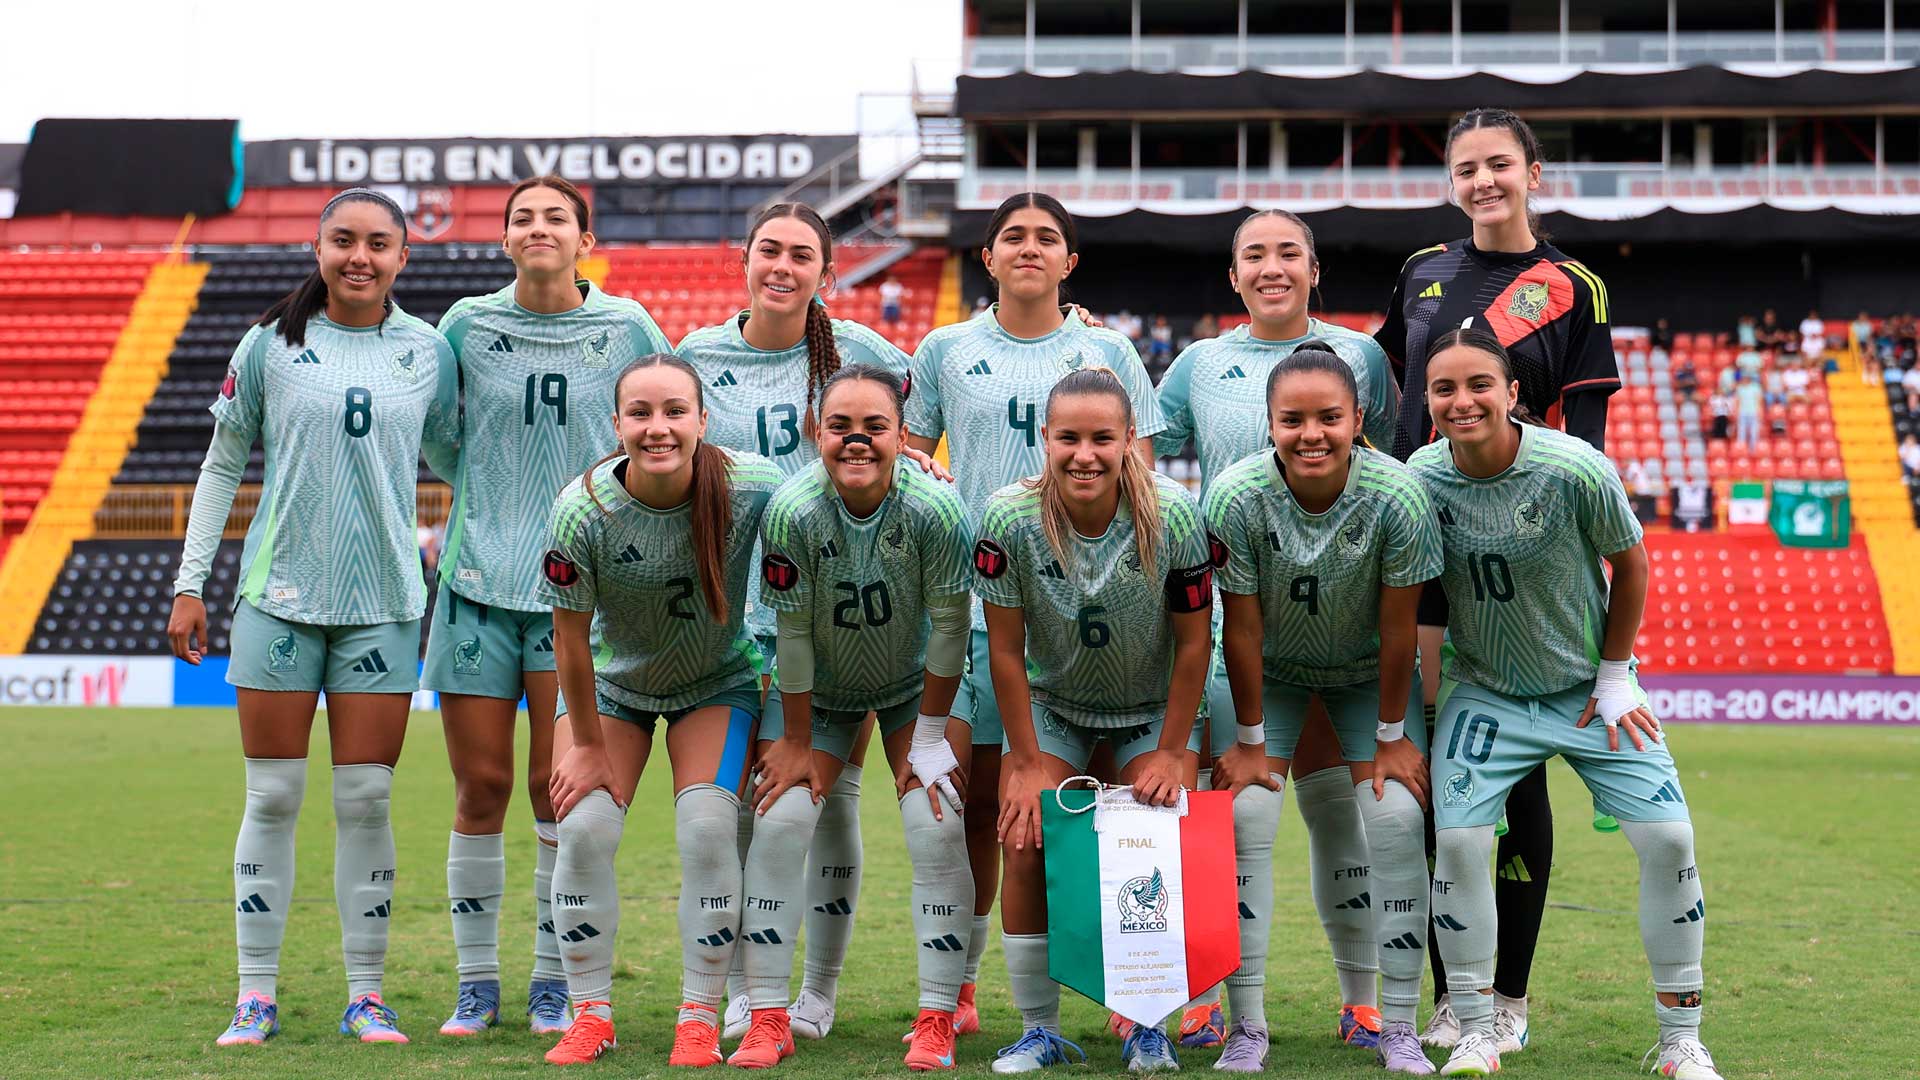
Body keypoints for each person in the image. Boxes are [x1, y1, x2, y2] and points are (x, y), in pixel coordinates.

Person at [167, 188, 460, 1047]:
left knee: (367, 798)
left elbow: (458, 458)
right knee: (274, 796)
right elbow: (222, 466)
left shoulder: (426, 352)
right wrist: (192, 583)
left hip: (382, 604)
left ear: (403, 257)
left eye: (378, 243)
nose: (359, 256)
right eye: (343, 241)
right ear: (318, 247)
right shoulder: (269, 344)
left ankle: (366, 994)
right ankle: (255, 995)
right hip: (281, 599)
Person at [1410, 328, 1722, 1080]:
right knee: (1454, 847)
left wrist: (1616, 674)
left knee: (1671, 844)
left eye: (1479, 384)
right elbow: (1415, 596)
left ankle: (1681, 1041)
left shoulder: (1574, 467)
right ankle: (1480, 1029)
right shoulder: (1419, 477)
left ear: (1513, 393)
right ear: (1427, 402)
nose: (1463, 401)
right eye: (1444, 388)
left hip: (1589, 690)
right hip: (1486, 690)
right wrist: (1416, 710)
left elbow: (1632, 561)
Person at [1373, 107, 1619, 1054]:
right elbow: (1390, 389)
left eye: (1499, 165)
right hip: (1410, 551)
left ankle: (1507, 1000)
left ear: (1533, 172)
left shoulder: (1571, 286)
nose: (1483, 182)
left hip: (1505, 567)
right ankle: (1453, 995)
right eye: (1466, 168)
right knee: (1444, 780)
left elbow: (1583, 447)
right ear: (1451, 180)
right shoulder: (1422, 272)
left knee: (1513, 784)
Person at [905, 192, 1164, 1038]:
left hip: (1088, 621)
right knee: (979, 813)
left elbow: (1144, 473)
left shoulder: (1107, 348)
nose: (1029, 247)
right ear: (986, 257)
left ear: (1070, 261)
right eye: (1012, 236)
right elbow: (910, 454)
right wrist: (926, 474)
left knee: (1098, 809)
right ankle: (958, 992)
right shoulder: (946, 347)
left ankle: (1137, 991)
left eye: (1047, 237)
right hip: (976, 618)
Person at [426, 175, 674, 1037]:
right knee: (482, 784)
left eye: (556, 217)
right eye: (523, 217)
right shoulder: (466, 324)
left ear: (584, 240)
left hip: (581, 595)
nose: (539, 228)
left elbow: (662, 423)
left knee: (553, 788)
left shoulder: (628, 327)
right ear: (504, 240)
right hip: (475, 585)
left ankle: (548, 980)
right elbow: (438, 433)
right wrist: (490, 495)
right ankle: (474, 982)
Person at [1154, 208, 1402, 1055]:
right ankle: (1206, 999)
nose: (1271, 267)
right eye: (1253, 255)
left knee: (1344, 818)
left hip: (1342, 625)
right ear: (1233, 276)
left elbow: (1387, 473)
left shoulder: (1361, 356)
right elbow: (1144, 465)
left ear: (1314, 266)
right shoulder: (1197, 364)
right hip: (1233, 628)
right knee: (1227, 823)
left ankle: (1361, 1001)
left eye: (1287, 252)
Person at [675, 201, 912, 1041]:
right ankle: (747, 987)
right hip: (726, 613)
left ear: (826, 271)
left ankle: (818, 991)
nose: (782, 265)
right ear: (743, 260)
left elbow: (911, 437)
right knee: (748, 803)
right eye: (768, 249)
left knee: (828, 799)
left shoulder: (867, 355)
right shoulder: (696, 355)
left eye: (800, 254)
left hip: (835, 615)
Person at [1202, 345, 1444, 1075]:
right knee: (1244, 815)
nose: (1313, 433)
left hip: (1366, 674)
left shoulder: (1398, 495)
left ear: (1358, 419)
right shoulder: (1235, 494)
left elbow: (1402, 627)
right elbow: (1239, 626)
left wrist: (1394, 736)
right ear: (1268, 424)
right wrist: (1248, 740)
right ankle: (1248, 1026)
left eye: (1330, 418)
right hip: (1267, 672)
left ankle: (1397, 1024)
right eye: (1293, 419)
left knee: (1399, 820)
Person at [537, 355, 782, 1067]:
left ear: (703, 421)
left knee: (708, 829)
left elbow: (826, 490)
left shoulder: (751, 484)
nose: (658, 427)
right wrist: (583, 744)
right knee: (580, 830)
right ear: (616, 425)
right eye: (640, 413)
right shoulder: (582, 510)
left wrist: (923, 468)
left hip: (717, 681)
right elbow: (569, 639)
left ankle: (700, 1015)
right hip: (614, 689)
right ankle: (590, 1015)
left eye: (675, 411)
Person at [975, 368, 1212, 1075]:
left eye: (1103, 438)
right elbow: (1007, 651)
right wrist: (1020, 762)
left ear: (1129, 441)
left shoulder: (1174, 513)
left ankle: (1148, 1026)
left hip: (1146, 708)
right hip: (1055, 705)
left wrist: (1173, 751)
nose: (1085, 453)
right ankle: (1039, 1030)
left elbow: (1196, 643)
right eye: (1069, 437)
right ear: (1043, 439)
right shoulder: (1007, 518)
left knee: (1151, 839)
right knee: (1025, 833)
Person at [747, 365, 976, 1071]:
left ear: (902, 436)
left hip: (914, 686)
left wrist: (932, 737)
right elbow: (790, 634)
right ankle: (766, 1017)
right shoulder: (791, 510)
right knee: (780, 820)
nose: (856, 441)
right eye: (840, 427)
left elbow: (949, 630)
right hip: (821, 692)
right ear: (818, 433)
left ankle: (937, 1016)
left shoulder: (937, 510)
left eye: (874, 427)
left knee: (937, 822)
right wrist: (792, 741)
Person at [1735, 373, 1764, 451]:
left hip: (1753, 411)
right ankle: (1741, 449)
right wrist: (1736, 412)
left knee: (1754, 432)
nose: (1744, 379)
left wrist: (1760, 411)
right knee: (1741, 432)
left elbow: (1759, 400)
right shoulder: (1739, 388)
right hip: (1742, 411)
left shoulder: (1756, 387)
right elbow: (1737, 400)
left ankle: (1753, 449)